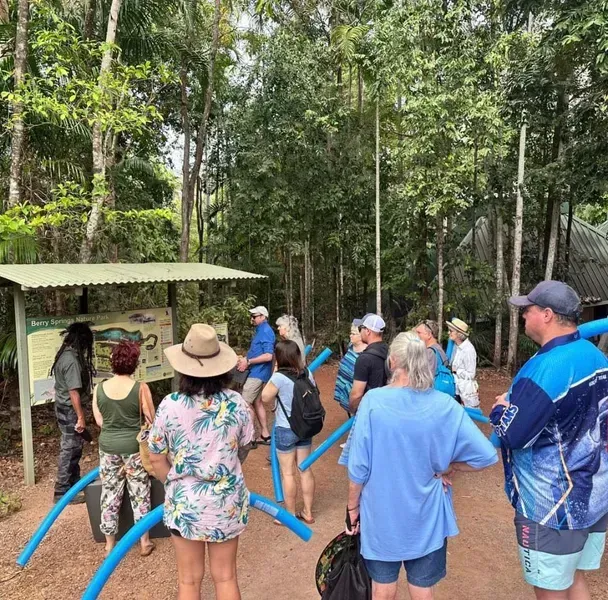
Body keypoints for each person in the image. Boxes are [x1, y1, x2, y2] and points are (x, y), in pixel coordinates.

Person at [346, 332, 498, 600]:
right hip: (428, 513)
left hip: (381, 513)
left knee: (382, 588)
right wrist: (451, 467)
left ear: (392, 362)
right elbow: (486, 455)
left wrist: (352, 509)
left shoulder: (372, 402)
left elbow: (358, 468)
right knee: (422, 588)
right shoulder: (445, 405)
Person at [490, 281, 608, 600]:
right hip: (594, 496)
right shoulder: (595, 356)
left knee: (551, 591)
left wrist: (501, 410)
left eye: (526, 311)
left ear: (547, 314)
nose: (523, 317)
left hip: (552, 505)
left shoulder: (544, 369)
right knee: (576, 578)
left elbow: (513, 435)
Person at [148, 324, 254, 600]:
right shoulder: (237, 403)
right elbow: (244, 447)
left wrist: (174, 481)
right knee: (226, 576)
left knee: (188, 581)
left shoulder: (170, 405)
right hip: (225, 501)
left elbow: (156, 457)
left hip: (185, 503)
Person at [92, 341, 156, 557]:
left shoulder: (99, 389)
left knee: (109, 492)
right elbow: (151, 419)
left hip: (108, 447)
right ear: (135, 363)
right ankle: (144, 541)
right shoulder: (141, 388)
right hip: (134, 448)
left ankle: (110, 544)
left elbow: (100, 420)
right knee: (140, 491)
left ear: (113, 362)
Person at [261, 340, 316, 524]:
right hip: (305, 426)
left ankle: (290, 515)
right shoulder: (307, 372)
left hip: (286, 428)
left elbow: (265, 397)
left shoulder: (279, 377)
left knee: (288, 473)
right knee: (305, 469)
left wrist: (275, 371)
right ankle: (308, 512)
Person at [50, 322, 95, 504]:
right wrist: (81, 417)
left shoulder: (66, 354)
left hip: (64, 407)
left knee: (75, 446)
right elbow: (73, 391)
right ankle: (61, 492)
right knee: (69, 448)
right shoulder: (71, 360)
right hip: (69, 409)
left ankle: (74, 483)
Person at [236, 306, 275, 445]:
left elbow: (268, 356)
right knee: (256, 402)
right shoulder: (260, 330)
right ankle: (265, 435)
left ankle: (250, 438)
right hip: (256, 371)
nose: (252, 319)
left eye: (255, 316)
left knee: (245, 403)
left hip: (258, 373)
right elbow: (257, 351)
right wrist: (245, 359)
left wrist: (248, 361)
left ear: (263, 316)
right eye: (251, 316)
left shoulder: (266, 331)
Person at [349, 314, 389, 414]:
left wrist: (353, 410)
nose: (360, 331)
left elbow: (356, 395)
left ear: (367, 331)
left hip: (371, 410)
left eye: (361, 328)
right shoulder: (390, 350)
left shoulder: (364, 359)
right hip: (387, 407)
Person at [334, 320, 368, 415]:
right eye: (350, 333)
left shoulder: (366, 353)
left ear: (361, 335)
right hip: (344, 385)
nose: (350, 336)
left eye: (353, 333)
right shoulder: (350, 346)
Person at [446, 318, 479, 408]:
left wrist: (456, 370)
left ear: (459, 334)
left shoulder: (468, 350)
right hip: (455, 389)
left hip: (465, 391)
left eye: (451, 331)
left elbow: (471, 374)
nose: (449, 333)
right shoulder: (455, 346)